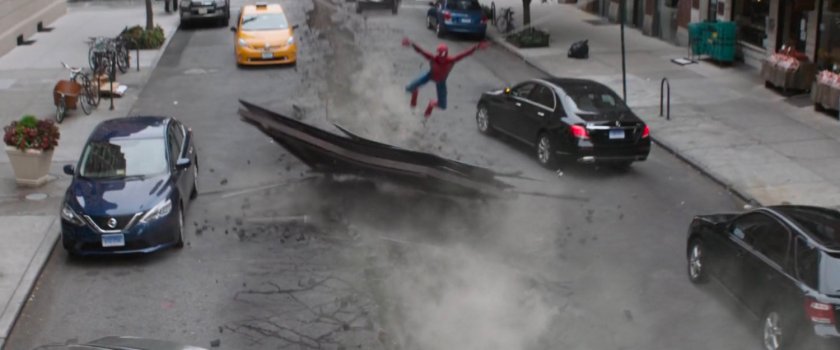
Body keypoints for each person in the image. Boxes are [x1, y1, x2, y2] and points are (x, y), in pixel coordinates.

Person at [402, 37, 490, 118]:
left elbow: (465, 54)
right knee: (410, 87)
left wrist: (476, 47)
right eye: (439, 55)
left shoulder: (451, 60)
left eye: (443, 55)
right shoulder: (433, 58)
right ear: (437, 54)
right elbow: (421, 51)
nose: (441, 58)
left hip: (441, 81)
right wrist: (412, 44)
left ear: (446, 54)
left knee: (442, 105)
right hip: (430, 75)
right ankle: (414, 94)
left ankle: (431, 105)